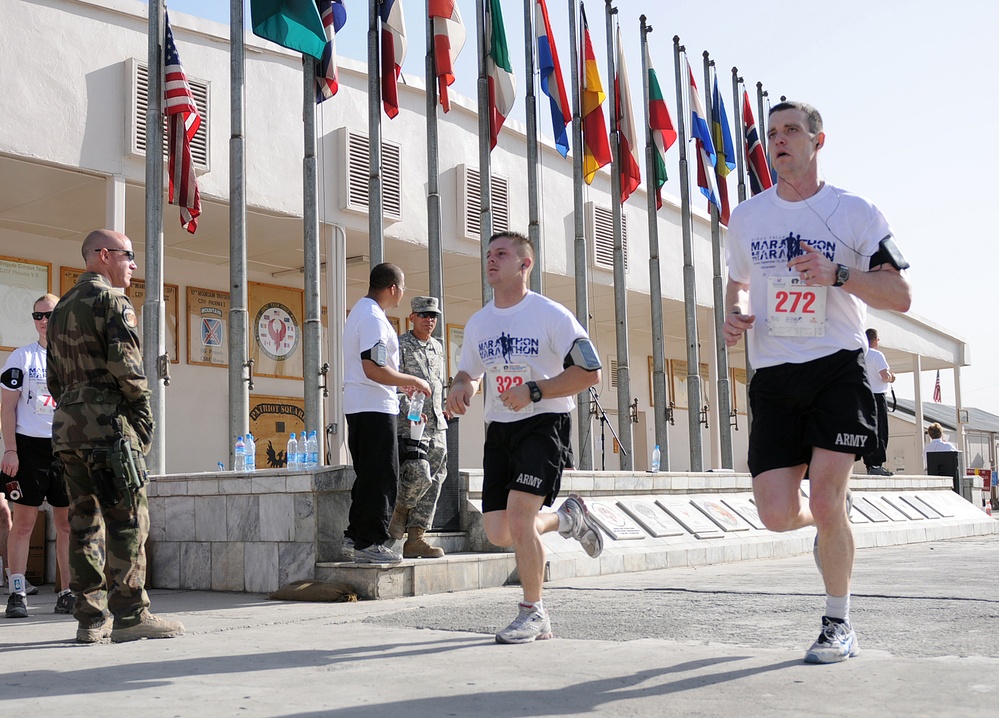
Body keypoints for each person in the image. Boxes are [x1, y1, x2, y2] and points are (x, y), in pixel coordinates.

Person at [723, 102, 912, 664]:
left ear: (817, 141)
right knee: (777, 515)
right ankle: (829, 520)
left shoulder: (853, 211)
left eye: (791, 131)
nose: (779, 141)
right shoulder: (747, 217)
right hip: (775, 375)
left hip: (837, 367)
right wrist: (733, 314)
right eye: (772, 133)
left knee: (828, 497)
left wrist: (839, 275)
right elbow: (736, 283)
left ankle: (838, 621)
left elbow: (899, 296)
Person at [446, 231, 604, 644]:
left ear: (524, 264)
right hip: (500, 429)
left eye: (501, 254)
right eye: (489, 254)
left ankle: (533, 612)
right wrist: (461, 387)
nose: (491, 260)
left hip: (544, 424)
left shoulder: (551, 315)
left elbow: (590, 372)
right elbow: (470, 372)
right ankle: (568, 519)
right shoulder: (479, 322)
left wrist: (535, 390)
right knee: (499, 531)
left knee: (519, 521)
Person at [47, 229, 184, 644]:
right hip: (109, 428)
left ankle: (90, 620)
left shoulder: (60, 308)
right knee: (127, 520)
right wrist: (143, 418)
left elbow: (54, 381)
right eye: (128, 256)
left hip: (68, 429)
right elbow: (128, 369)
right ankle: (130, 616)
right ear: (103, 255)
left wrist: (77, 406)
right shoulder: (110, 301)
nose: (133, 265)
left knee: (83, 523)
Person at [342, 264, 431, 564]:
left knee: (368, 475)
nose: (403, 293)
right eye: (403, 287)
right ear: (393, 287)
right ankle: (370, 543)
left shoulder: (362, 311)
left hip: (366, 404)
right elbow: (374, 368)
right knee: (382, 477)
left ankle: (355, 536)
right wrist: (413, 380)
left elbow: (375, 369)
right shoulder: (373, 319)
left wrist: (399, 387)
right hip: (373, 407)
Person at [2, 293, 74, 618]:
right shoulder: (21, 357)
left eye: (49, 315)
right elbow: (7, 407)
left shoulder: (74, 359)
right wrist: (11, 449)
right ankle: (17, 593)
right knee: (24, 522)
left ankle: (68, 592)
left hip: (64, 448)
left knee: (66, 523)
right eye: (38, 315)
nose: (43, 321)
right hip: (28, 448)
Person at [390, 296, 449, 559]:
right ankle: (400, 512)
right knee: (417, 473)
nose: (429, 320)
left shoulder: (438, 347)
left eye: (433, 316)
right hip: (411, 424)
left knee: (436, 480)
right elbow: (392, 385)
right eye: (424, 315)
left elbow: (437, 384)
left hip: (437, 424)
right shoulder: (400, 345)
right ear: (412, 316)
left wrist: (444, 407)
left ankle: (416, 537)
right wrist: (409, 410)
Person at [862, 328, 895, 476]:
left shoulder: (860, 354)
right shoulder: (877, 355)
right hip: (878, 396)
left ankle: (869, 463)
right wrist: (891, 377)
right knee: (880, 430)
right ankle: (877, 464)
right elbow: (884, 376)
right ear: (875, 339)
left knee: (867, 429)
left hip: (864, 396)